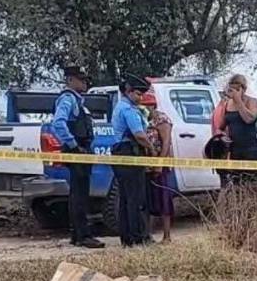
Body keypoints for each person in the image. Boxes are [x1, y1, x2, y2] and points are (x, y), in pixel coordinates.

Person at [52, 65, 104, 248]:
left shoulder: (77, 100)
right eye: (81, 79)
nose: (85, 83)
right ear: (70, 80)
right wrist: (74, 146)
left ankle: (77, 234)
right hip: (77, 150)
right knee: (79, 195)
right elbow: (58, 124)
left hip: (81, 150)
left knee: (79, 193)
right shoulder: (68, 100)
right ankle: (83, 235)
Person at [111, 74, 156, 247]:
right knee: (135, 198)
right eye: (137, 94)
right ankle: (137, 238)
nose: (140, 98)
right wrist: (151, 149)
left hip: (121, 154)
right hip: (129, 153)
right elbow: (139, 135)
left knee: (125, 198)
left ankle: (127, 239)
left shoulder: (120, 107)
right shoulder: (128, 110)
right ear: (128, 91)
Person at [140, 91, 176, 244]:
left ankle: (167, 236)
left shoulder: (162, 120)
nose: (146, 109)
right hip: (146, 165)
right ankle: (147, 235)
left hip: (160, 165)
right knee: (148, 200)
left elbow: (166, 142)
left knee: (164, 199)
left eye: (148, 106)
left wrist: (160, 163)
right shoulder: (142, 119)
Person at [219, 74, 257, 187]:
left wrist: (238, 101)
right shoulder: (228, 104)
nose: (235, 93)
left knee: (251, 187)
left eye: (237, 89)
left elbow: (249, 119)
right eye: (232, 89)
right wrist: (223, 137)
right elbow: (221, 126)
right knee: (237, 188)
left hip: (251, 151)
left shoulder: (252, 102)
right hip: (235, 151)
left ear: (244, 89)